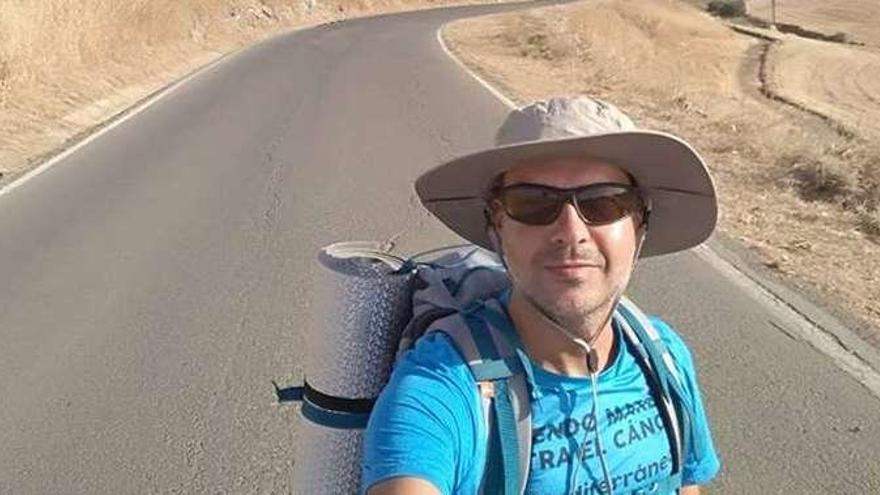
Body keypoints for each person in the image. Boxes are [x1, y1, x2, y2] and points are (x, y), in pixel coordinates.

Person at [362, 96, 721, 494]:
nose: (571, 231)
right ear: (497, 229)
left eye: (603, 202)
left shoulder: (664, 356)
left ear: (639, 226)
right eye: (532, 204)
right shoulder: (444, 386)